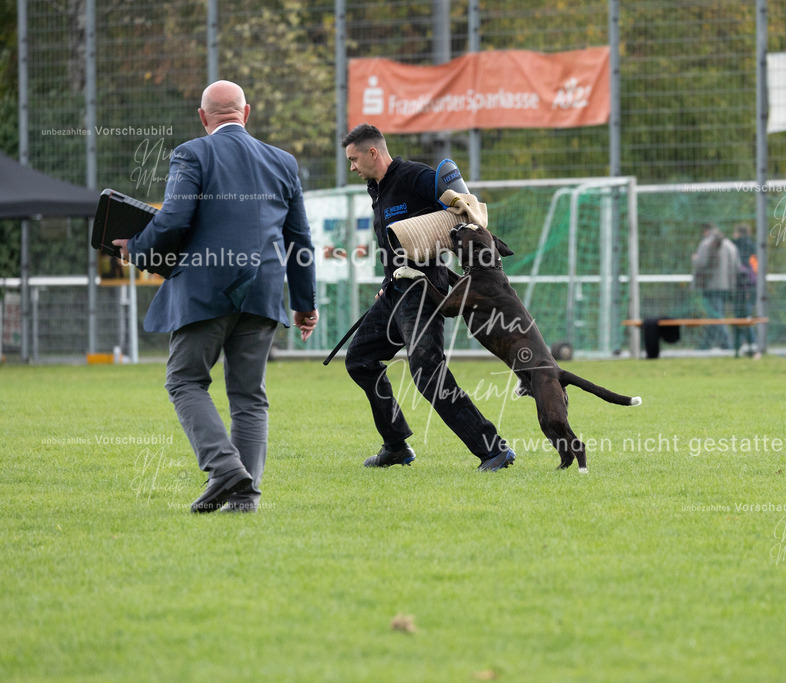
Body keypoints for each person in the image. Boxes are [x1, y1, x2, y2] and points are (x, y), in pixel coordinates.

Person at [114, 80, 318, 513]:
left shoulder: (192, 152)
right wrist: (305, 303)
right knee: (249, 396)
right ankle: (245, 497)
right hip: (263, 291)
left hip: (205, 289)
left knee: (185, 380)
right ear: (246, 113)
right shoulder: (284, 162)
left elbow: (173, 220)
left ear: (204, 118)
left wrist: (138, 248)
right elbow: (300, 238)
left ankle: (225, 468)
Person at [339, 123, 514, 471]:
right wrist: (387, 280)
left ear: (373, 152)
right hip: (395, 291)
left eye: (354, 159)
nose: (352, 167)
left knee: (426, 370)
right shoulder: (378, 189)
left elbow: (464, 210)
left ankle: (493, 449)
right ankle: (395, 446)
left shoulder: (414, 177)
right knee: (359, 359)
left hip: (423, 290)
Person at [690, 221, 742, 351]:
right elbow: (738, 267)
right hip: (728, 286)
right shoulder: (730, 245)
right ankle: (706, 344)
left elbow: (702, 262)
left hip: (711, 285)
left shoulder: (706, 244)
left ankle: (727, 345)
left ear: (705, 231)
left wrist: (694, 258)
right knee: (716, 314)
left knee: (716, 316)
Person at [732, 223, 760, 359]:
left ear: (738, 233)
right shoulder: (753, 246)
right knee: (745, 317)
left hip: (742, 287)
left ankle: (751, 347)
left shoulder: (738, 246)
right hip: (752, 286)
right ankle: (744, 347)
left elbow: (743, 269)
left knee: (743, 317)